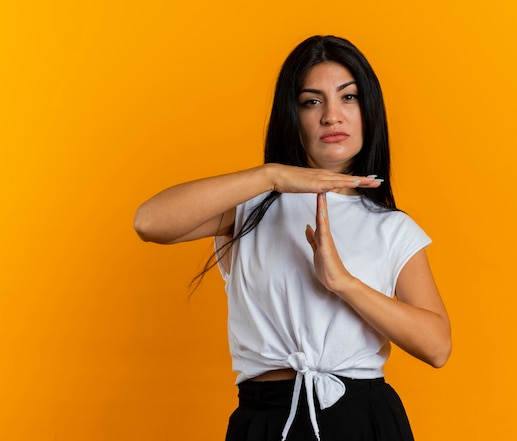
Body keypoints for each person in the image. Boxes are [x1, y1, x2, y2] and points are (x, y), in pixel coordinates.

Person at [134, 35, 451, 441]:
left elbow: (437, 347)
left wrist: (343, 283)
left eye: (348, 98)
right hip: (266, 421)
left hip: (363, 420)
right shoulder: (250, 207)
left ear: (369, 110)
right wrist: (272, 175)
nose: (332, 116)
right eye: (312, 101)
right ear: (292, 115)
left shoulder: (390, 226)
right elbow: (149, 222)